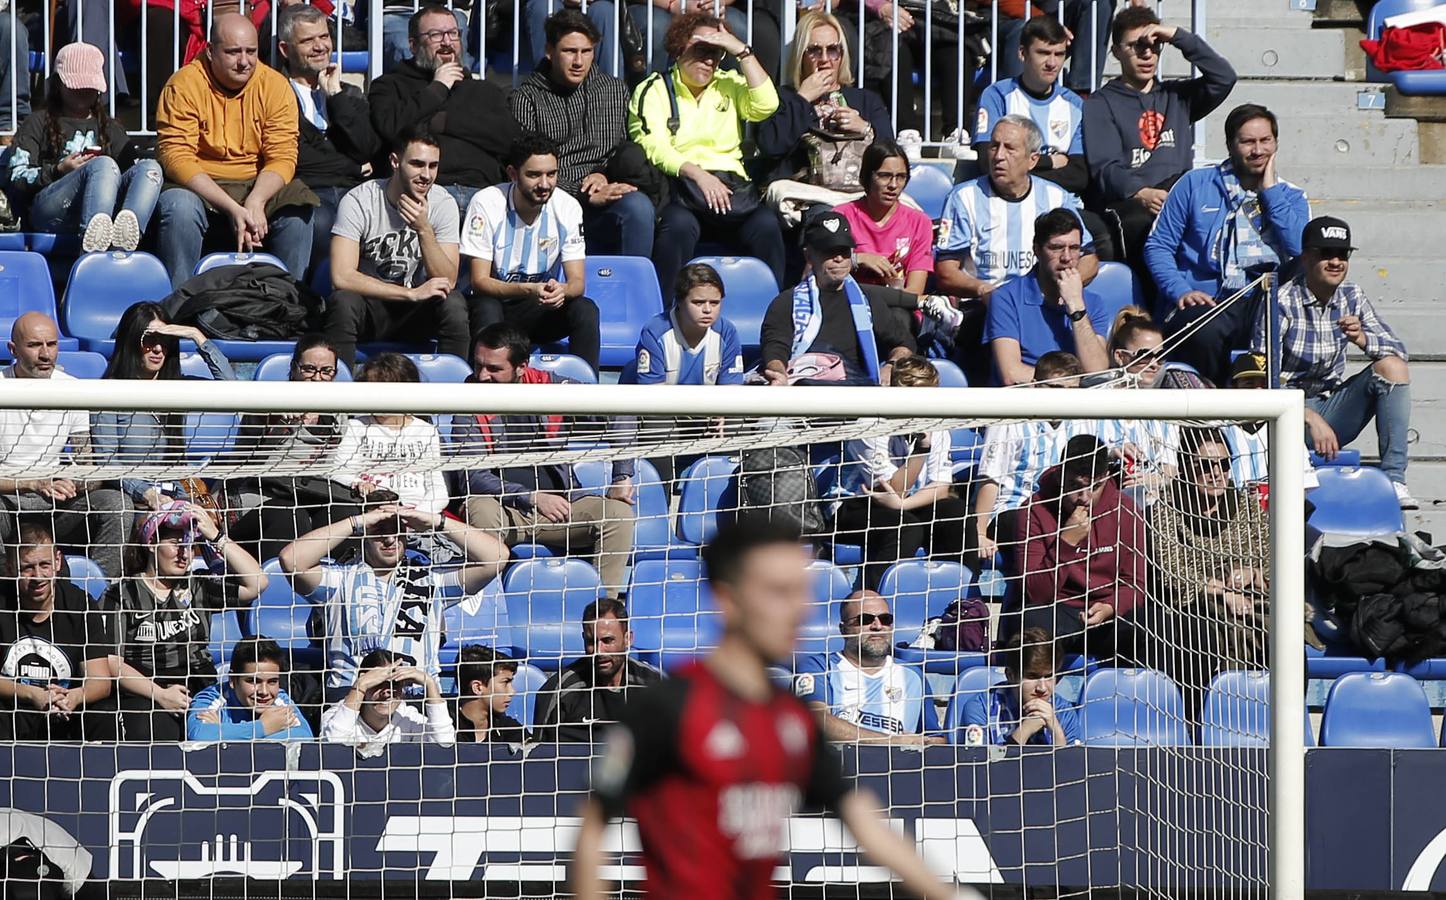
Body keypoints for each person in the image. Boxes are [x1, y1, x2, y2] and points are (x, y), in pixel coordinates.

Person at [571, 518, 966, 900]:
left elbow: (865, 823)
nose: (798, 609)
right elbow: (591, 831)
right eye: (779, 592)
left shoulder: (790, 715)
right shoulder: (665, 705)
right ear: (729, 600)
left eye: (800, 592)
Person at [1252, 215, 1416, 508]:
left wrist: (1363, 340)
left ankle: (1394, 481)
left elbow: (1398, 353)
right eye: (1325, 254)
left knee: (1392, 368)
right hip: (1286, 414)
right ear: (1305, 258)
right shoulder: (1281, 302)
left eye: (1342, 254)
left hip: (1332, 405)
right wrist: (1307, 416)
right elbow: (1260, 382)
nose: (1336, 262)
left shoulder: (1352, 295)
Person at [462, 324, 637, 596]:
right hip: (505, 510)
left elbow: (620, 408)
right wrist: (531, 497)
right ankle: (487, 612)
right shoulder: (465, 399)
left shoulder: (551, 386)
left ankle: (604, 613)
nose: (482, 376)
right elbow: (473, 477)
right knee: (479, 507)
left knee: (618, 514)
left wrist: (622, 476)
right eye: (478, 365)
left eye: (494, 369)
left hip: (563, 507)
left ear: (521, 366)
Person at [280, 489, 508, 697]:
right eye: (379, 531)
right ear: (363, 533)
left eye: (396, 530)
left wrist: (436, 522)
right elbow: (291, 560)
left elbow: (496, 557)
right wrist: (357, 522)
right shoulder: (340, 579)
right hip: (352, 699)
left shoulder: (432, 580)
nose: (390, 539)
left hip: (415, 699)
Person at [1145, 104, 1310, 385]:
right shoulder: (1194, 184)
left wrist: (1270, 193)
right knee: (1204, 331)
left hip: (1263, 300)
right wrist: (1180, 290)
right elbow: (1158, 246)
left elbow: (1300, 251)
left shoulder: (1290, 196)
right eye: (1247, 142)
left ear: (1276, 143)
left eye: (1265, 141)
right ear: (1230, 145)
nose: (1257, 150)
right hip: (1205, 300)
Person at [154, 13, 316, 287]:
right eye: (233, 52)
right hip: (201, 186)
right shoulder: (183, 85)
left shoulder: (274, 86)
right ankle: (178, 305)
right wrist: (231, 208)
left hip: (256, 183)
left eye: (251, 52)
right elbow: (176, 156)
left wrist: (256, 201)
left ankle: (289, 302)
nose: (244, 62)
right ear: (210, 51)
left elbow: (283, 156)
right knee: (178, 208)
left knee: (298, 207)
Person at [629, 12, 784, 292]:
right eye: (702, 50)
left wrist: (742, 51)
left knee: (767, 225)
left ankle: (773, 314)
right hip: (685, 189)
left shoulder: (730, 83)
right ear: (679, 48)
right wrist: (698, 174)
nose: (710, 60)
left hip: (731, 191)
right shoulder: (654, 89)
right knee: (677, 227)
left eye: (717, 52)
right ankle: (667, 312)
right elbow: (654, 146)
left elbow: (767, 105)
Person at [1083, 7, 1236, 271]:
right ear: (1116, 51)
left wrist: (1177, 36)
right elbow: (1106, 167)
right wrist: (1141, 193)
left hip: (1179, 198)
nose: (1146, 54)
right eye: (1135, 46)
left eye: (1154, 46)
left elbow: (1224, 77)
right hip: (1133, 208)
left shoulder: (1176, 96)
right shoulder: (1101, 103)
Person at [107, 502, 266, 742]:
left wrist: (217, 536)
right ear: (151, 544)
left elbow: (257, 583)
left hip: (202, 687)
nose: (184, 554)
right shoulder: (121, 593)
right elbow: (111, 662)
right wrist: (160, 694)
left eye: (190, 545)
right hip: (147, 690)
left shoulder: (199, 586)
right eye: (175, 544)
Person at [509, 10, 654, 258]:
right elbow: (527, 168)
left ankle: (635, 289)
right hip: (551, 197)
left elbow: (622, 150)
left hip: (605, 190)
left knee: (638, 207)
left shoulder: (614, 90)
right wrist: (582, 193)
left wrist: (602, 175)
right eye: (569, 51)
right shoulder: (527, 98)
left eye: (586, 52)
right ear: (549, 51)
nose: (578, 61)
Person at [1145, 427, 1270, 713]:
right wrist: (1221, 592)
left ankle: (1280, 723)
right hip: (1191, 607)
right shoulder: (1166, 507)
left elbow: (1272, 560)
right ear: (1186, 467)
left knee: (1284, 636)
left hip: (1252, 599)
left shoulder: (1247, 507)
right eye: (1205, 466)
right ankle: (1205, 722)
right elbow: (1172, 572)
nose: (1216, 473)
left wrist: (1253, 573)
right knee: (1201, 635)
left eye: (1224, 464)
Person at [326, 128, 467, 368]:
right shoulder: (360, 200)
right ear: (394, 161)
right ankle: (340, 398)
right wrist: (409, 293)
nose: (426, 175)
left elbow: (448, 279)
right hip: (371, 306)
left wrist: (424, 229)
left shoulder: (443, 203)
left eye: (433, 166)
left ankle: (453, 398)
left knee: (452, 303)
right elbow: (341, 276)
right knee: (343, 302)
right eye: (417, 164)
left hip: (415, 314)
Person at [0, 314, 128, 578]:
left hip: (56, 505)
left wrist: (73, 482)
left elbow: (87, 467)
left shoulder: (71, 389)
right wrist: (33, 482)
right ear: (13, 349)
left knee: (115, 504)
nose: (46, 354)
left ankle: (99, 599)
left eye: (52, 344)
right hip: (7, 503)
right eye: (35, 345)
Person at [462, 133, 599, 373]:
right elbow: (479, 281)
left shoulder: (568, 207)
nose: (545, 184)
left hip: (538, 307)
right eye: (534, 175)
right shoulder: (485, 202)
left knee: (585, 309)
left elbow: (577, 283)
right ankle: (482, 398)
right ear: (513, 174)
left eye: (551, 174)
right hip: (497, 305)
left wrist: (561, 291)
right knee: (486, 306)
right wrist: (528, 289)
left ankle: (587, 402)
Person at [7, 43, 162, 253]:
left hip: (109, 210)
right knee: (103, 164)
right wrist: (59, 169)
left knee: (150, 167)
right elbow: (16, 176)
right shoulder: (37, 122)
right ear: (58, 84)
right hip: (50, 209)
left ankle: (123, 239)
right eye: (76, 85)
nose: (83, 91)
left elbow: (132, 172)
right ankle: (91, 248)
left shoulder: (111, 127)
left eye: (88, 86)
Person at [368, 4, 520, 214]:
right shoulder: (390, 85)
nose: (447, 42)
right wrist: (437, 88)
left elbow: (508, 140)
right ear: (413, 45)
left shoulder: (485, 90)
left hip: (482, 196)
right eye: (436, 35)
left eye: (453, 34)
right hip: (423, 196)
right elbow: (391, 129)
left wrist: (444, 122)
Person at [832, 357, 967, 591]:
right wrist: (922, 449)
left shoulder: (935, 424)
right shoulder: (871, 423)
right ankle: (872, 600)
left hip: (906, 505)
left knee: (955, 512)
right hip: (857, 504)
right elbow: (894, 488)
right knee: (905, 527)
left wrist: (903, 505)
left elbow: (941, 487)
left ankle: (964, 602)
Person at [1010, 433, 1146, 662]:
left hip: (1105, 612)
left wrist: (1111, 607)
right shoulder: (1034, 510)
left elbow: (1135, 583)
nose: (1084, 497)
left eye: (1094, 487)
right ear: (1062, 475)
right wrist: (1066, 544)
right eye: (1075, 486)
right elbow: (1036, 592)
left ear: (1105, 477)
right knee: (1031, 622)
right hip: (1056, 609)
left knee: (1153, 624)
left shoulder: (1127, 510)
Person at [90, 302, 236, 513]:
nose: (158, 348)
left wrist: (196, 335)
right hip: (130, 499)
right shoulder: (108, 394)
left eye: (165, 340)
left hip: (174, 493)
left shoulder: (177, 387)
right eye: (148, 340)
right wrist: (146, 493)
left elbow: (232, 387)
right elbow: (108, 463)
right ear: (130, 341)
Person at [936, 115, 1099, 305]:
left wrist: (1067, 287)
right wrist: (983, 290)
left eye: (1010, 148)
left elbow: (1089, 259)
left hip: (1043, 304)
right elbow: (945, 272)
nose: (998, 156)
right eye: (994, 146)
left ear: (1032, 160)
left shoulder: (1056, 198)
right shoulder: (963, 198)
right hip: (984, 306)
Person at [756, 10, 893, 226]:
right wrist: (803, 99)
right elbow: (771, 145)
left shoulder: (865, 100)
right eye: (814, 51)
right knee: (829, 218)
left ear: (842, 55)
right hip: (807, 197)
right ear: (801, 55)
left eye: (832, 50)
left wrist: (865, 128)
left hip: (856, 192)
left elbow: (890, 154)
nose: (824, 60)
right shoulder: (783, 97)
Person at [225, 335, 353, 563]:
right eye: (309, 369)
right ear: (294, 369)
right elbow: (251, 438)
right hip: (261, 499)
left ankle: (336, 586)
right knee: (290, 515)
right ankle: (279, 590)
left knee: (344, 515)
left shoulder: (341, 413)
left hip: (315, 496)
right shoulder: (265, 405)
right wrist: (275, 417)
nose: (317, 378)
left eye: (326, 371)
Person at [276, 3, 382, 273]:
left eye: (324, 37)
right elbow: (297, 159)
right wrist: (352, 166)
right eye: (308, 40)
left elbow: (367, 147)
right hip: (307, 193)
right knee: (322, 222)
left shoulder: (348, 93)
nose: (320, 46)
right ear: (285, 50)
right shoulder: (274, 94)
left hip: (353, 194)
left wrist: (335, 97)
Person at [758, 210, 916, 386]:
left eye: (844, 251)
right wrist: (779, 374)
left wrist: (891, 366)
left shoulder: (867, 300)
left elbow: (905, 342)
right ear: (809, 255)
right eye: (829, 252)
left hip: (856, 392)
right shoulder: (786, 302)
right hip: (805, 392)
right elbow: (775, 350)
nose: (839, 258)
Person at [0, 520, 114, 741]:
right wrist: (33, 694)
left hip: (65, 709)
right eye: (27, 568)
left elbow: (100, 680)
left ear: (58, 561)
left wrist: (75, 697)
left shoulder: (80, 603)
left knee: (104, 714)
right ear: (10, 568)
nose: (38, 577)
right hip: (12, 708)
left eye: (44, 565)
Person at [971, 351, 1085, 562]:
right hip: (1012, 509)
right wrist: (979, 533)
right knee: (1038, 525)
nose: (1065, 397)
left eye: (1073, 390)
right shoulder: (1010, 420)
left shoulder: (1079, 422)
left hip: (1059, 510)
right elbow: (990, 478)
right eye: (1057, 388)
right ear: (1035, 385)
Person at [795, 587, 946, 744]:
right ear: (843, 629)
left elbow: (937, 739)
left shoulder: (913, 675)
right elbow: (816, 720)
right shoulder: (820, 667)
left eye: (885, 619)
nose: (877, 626)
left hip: (898, 767)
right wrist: (891, 742)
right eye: (865, 620)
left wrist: (925, 743)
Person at [986, 209, 1116, 386]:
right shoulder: (1006, 298)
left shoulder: (1092, 303)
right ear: (1037, 250)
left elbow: (1097, 372)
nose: (1066, 257)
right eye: (1056, 248)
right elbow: (1011, 373)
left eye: (1074, 248)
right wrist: (1066, 385)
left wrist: (1076, 307)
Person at [970, 17, 1087, 196]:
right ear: (1022, 53)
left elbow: (1078, 175)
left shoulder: (1075, 104)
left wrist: (1020, 167)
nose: (1052, 63)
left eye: (1059, 54)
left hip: (1061, 206)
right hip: (1007, 200)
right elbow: (989, 164)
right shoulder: (997, 95)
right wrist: (1051, 161)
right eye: (1043, 53)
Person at [328, 353, 449, 515]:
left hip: (417, 514)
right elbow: (339, 471)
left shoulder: (427, 432)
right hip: (370, 511)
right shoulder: (356, 427)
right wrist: (356, 482)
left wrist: (417, 515)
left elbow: (438, 489)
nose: (376, 397)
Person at [533, 599, 663, 743]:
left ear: (628, 639)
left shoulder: (651, 685)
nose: (599, 651)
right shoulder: (560, 690)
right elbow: (540, 756)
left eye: (607, 641)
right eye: (591, 642)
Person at [833, 140, 935, 294]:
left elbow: (914, 290)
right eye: (884, 176)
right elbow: (822, 272)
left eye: (900, 177)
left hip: (898, 308)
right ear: (866, 177)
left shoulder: (920, 223)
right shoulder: (840, 217)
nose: (893, 185)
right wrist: (857, 259)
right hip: (850, 305)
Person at [957, 627, 1082, 746]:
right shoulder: (980, 708)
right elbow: (978, 764)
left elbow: (1071, 766)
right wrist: (1025, 730)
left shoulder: (1064, 711)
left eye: (1049, 676)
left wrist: (1055, 730)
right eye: (1032, 677)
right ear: (1010, 675)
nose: (1042, 688)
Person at [319, 647, 457, 753]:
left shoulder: (408, 716)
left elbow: (444, 745)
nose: (387, 692)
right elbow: (330, 748)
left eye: (394, 684)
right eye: (378, 684)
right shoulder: (337, 715)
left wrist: (430, 683)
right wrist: (360, 685)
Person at [631, 263, 745, 386]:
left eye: (714, 303)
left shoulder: (727, 332)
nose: (707, 310)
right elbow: (652, 395)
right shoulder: (654, 332)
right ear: (679, 301)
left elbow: (731, 392)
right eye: (698, 303)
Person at [185, 637, 313, 741]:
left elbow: (304, 736)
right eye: (253, 681)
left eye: (272, 682)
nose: (264, 692)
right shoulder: (212, 698)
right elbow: (200, 735)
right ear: (232, 680)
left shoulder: (280, 700)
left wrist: (224, 731)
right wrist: (264, 727)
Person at [453, 644, 529, 744]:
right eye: (505, 682)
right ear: (477, 688)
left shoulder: (510, 730)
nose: (512, 691)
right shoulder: (441, 725)